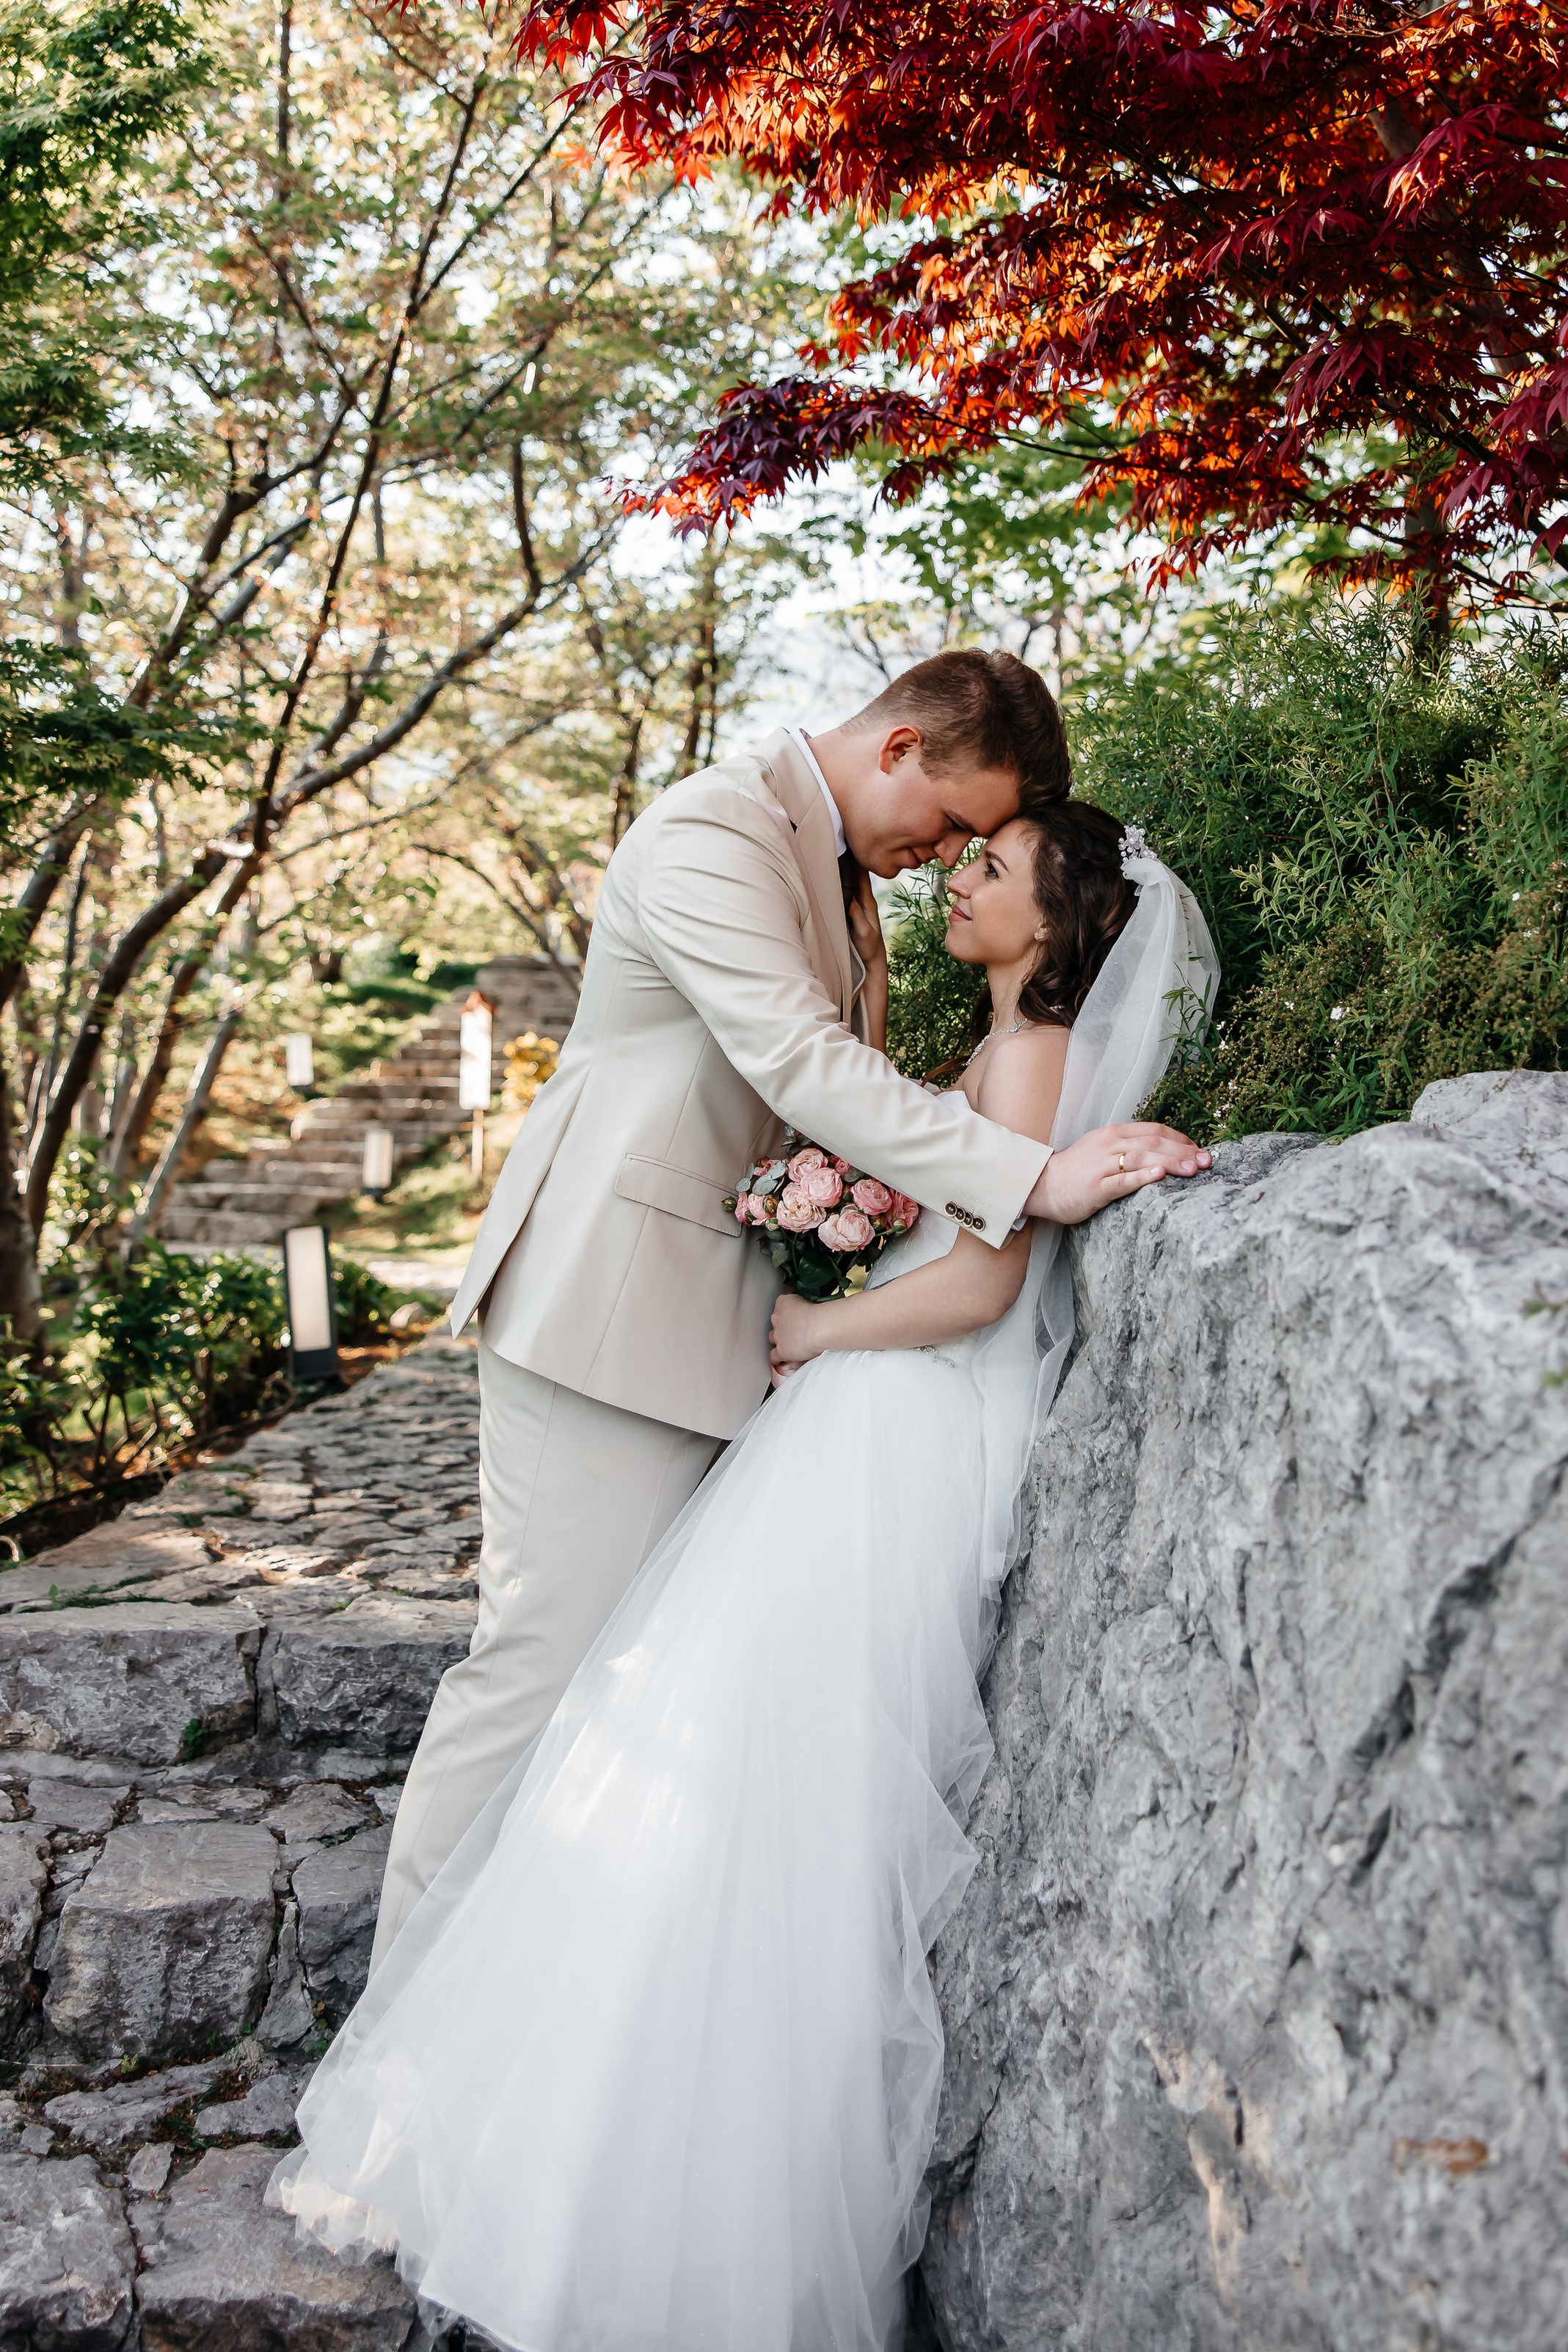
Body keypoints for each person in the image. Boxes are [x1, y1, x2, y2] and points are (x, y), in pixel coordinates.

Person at [274, 797, 1219, 2352]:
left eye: (989, 869)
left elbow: (981, 1283)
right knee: (717, 1756)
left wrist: (815, 1328)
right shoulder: (1001, 1041)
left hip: (895, 1434)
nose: (960, 882)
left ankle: (626, 2155)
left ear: (1052, 925)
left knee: (752, 1778)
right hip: (870, 1425)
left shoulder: (1035, 1052)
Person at [373, 652, 1211, 1966]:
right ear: (898, 752)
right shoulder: (718, 832)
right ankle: (406, 2035)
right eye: (952, 821)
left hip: (715, 1334)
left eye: (978, 845)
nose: (947, 856)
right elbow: (797, 1061)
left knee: (619, 1684)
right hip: (609, 1313)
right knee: (535, 1668)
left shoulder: (843, 879)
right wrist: (1030, 1174)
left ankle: (535, 1980)